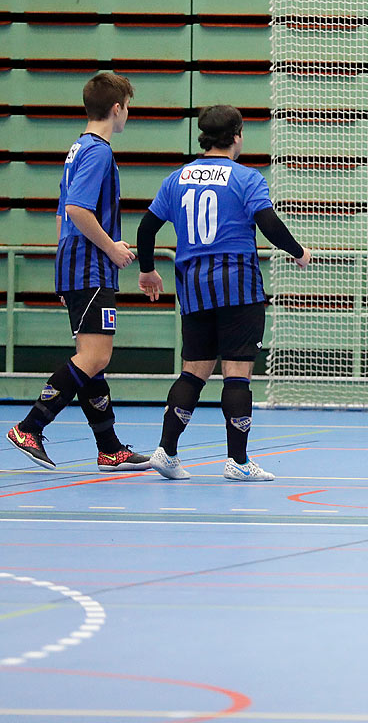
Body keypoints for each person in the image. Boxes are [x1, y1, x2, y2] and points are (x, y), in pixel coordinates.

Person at [136, 105, 312, 482]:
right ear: (236, 136)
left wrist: (148, 270)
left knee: (193, 373)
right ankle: (238, 461)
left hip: (194, 288)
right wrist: (298, 252)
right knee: (237, 375)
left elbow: (147, 227)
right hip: (237, 288)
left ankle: (166, 451)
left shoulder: (177, 178)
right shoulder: (246, 178)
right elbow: (268, 223)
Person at [5, 72, 151, 473]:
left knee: (94, 358)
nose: (128, 115)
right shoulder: (99, 151)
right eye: (128, 107)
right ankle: (30, 426)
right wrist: (112, 247)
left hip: (75, 262)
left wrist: (62, 262)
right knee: (96, 354)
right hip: (90, 265)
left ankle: (109, 447)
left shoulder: (76, 149)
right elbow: (76, 210)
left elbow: (60, 213)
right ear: (117, 108)